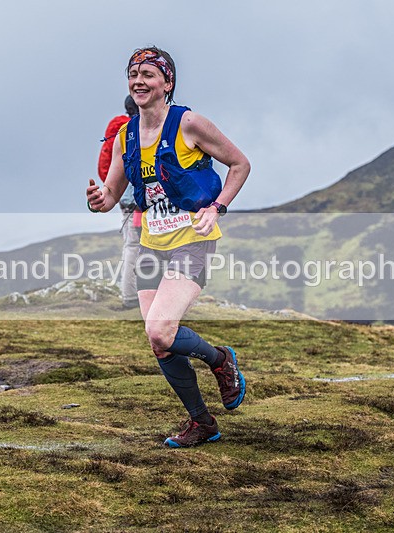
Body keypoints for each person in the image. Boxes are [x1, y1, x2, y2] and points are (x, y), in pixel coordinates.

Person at [86, 46, 251, 447]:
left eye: (148, 74)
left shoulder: (189, 124)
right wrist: (99, 199)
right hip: (150, 241)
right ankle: (202, 423)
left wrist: (218, 206)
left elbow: (240, 164)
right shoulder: (126, 135)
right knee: (158, 340)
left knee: (161, 329)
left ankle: (220, 360)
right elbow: (112, 193)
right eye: (133, 74)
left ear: (167, 83)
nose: (138, 81)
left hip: (192, 238)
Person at [98, 96, 141, 309]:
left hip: (124, 199)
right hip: (138, 200)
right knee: (136, 245)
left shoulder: (120, 129)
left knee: (132, 245)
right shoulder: (134, 132)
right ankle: (132, 297)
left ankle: (132, 295)